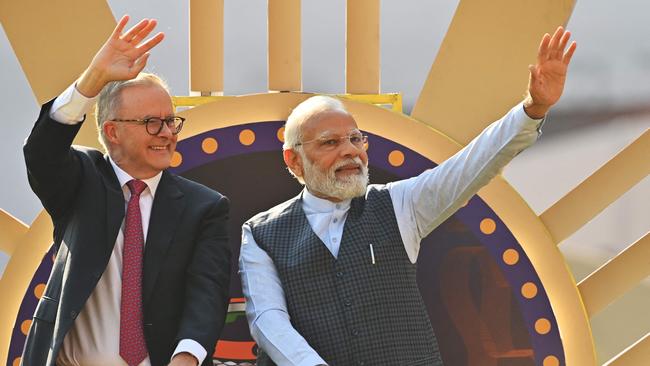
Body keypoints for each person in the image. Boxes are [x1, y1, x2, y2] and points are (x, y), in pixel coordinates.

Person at [239, 27, 577, 366]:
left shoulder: (399, 205)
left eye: (356, 139)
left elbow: (473, 165)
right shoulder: (260, 234)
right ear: (294, 159)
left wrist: (533, 108)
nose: (351, 152)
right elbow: (268, 322)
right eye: (331, 142)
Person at [21, 16, 231, 366]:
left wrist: (187, 357)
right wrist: (93, 79)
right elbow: (42, 152)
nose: (166, 132)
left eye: (170, 121)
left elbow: (206, 295)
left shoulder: (204, 207)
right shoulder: (81, 180)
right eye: (152, 122)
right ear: (113, 131)